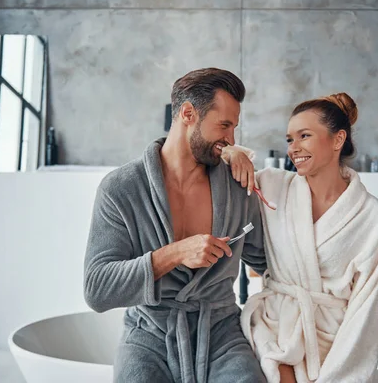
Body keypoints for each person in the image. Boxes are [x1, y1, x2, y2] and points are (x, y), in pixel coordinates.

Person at [84, 68, 267, 383]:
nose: (231, 139)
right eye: (224, 125)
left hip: (222, 333)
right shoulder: (122, 189)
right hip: (149, 334)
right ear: (187, 114)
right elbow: (97, 289)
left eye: (234, 128)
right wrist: (175, 253)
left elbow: (269, 263)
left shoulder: (238, 186)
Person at [222, 93, 378, 383]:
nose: (293, 148)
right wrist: (233, 153)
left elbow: (366, 310)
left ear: (338, 140)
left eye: (304, 136)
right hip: (272, 326)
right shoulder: (273, 186)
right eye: (290, 139)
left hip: (332, 339)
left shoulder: (373, 217)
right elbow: (210, 161)